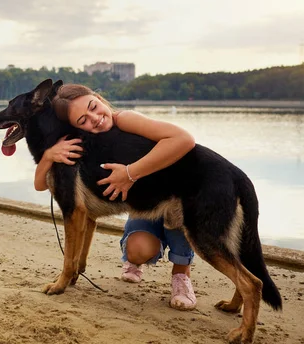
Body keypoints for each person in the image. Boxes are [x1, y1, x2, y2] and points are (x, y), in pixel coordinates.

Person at [34, 83, 197, 311]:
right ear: (76, 129)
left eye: (93, 107)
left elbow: (184, 139)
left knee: (180, 218)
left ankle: (182, 275)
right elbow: (40, 185)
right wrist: (48, 156)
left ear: (100, 98)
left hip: (171, 191)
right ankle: (134, 260)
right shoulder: (89, 141)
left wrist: (130, 173)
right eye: (83, 121)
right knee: (138, 251)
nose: (95, 118)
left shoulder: (125, 119)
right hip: (142, 204)